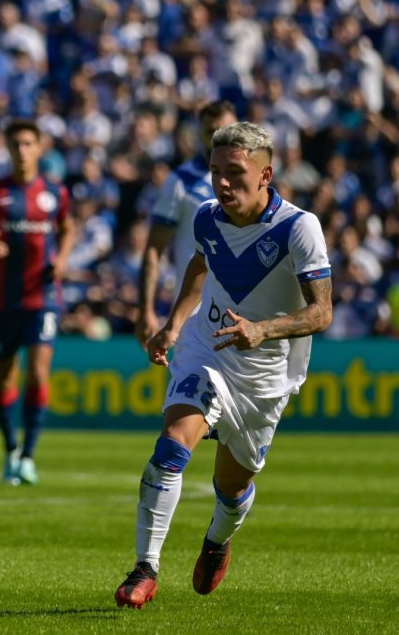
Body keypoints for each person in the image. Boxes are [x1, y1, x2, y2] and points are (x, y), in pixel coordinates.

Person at [114, 122, 332, 608]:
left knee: (232, 487)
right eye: (216, 172)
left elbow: (322, 312)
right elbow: (199, 265)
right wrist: (173, 326)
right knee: (172, 444)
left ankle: (216, 541)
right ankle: (144, 568)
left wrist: (263, 329)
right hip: (206, 351)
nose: (222, 183)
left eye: (235, 173)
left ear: (266, 175)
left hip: (264, 375)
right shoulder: (208, 217)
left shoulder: (300, 227)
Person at [0, 119, 76, 485]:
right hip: (4, 301)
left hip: (43, 299)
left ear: (39, 148)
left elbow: (68, 228)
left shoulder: (55, 192)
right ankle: (10, 448)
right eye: (16, 144)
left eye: (28, 143)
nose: (22, 150)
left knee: (39, 373)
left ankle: (28, 456)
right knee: (4, 376)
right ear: (8, 149)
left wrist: (62, 259)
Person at [136, 100, 238, 348]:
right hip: (193, 314)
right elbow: (153, 248)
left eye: (224, 130)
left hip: (242, 311)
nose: (217, 138)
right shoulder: (180, 181)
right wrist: (146, 309)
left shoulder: (252, 181)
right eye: (210, 131)